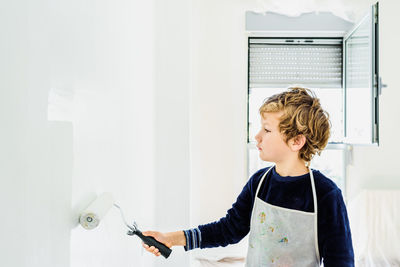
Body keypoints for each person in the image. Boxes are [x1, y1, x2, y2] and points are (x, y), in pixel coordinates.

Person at [142, 87, 355, 266]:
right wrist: (171, 239)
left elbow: (341, 261)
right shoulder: (260, 182)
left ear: (296, 142)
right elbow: (228, 230)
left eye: (267, 130)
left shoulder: (325, 195)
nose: (257, 136)